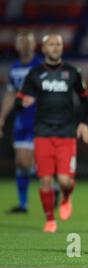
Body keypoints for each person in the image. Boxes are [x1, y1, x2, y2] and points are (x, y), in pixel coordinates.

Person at [16, 34, 88, 233]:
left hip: (67, 133)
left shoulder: (73, 72)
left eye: (58, 44)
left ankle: (66, 196)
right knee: (46, 180)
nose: (56, 47)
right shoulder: (34, 73)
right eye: (51, 44)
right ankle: (50, 219)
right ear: (43, 48)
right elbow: (19, 98)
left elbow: (84, 99)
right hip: (43, 132)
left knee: (65, 181)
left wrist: (83, 123)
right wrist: (21, 102)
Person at [0, 32, 41, 213]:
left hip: (38, 118)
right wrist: (2, 117)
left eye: (28, 41)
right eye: (21, 41)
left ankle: (52, 185)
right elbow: (10, 94)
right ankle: (23, 204)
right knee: (20, 162)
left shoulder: (40, 66)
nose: (24, 44)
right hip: (20, 119)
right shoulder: (15, 68)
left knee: (28, 160)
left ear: (34, 45)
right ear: (16, 46)